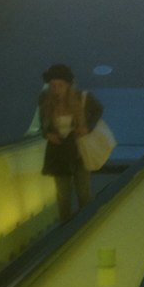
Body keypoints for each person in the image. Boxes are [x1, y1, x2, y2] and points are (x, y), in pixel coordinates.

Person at [38, 64, 104, 222]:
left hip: (78, 150)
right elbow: (43, 125)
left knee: (83, 192)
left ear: (68, 85)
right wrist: (47, 134)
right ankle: (65, 230)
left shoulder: (82, 98)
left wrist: (87, 127)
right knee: (63, 196)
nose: (56, 89)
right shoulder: (45, 100)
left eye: (60, 85)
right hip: (57, 153)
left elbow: (98, 110)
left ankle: (87, 224)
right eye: (53, 85)